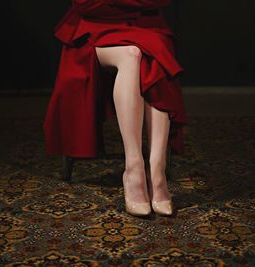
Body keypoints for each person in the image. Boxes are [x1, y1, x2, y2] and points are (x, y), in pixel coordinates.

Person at [43, 0, 188, 217]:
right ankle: (134, 168)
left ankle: (158, 170)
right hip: (94, 30)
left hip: (146, 27)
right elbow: (86, 5)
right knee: (132, 55)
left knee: (152, 57)